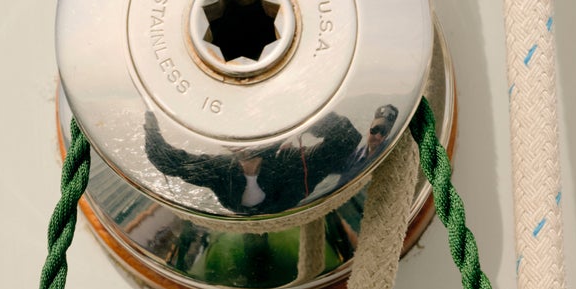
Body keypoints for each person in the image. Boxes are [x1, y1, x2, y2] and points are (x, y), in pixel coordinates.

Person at [143, 103, 399, 217]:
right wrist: (151, 123)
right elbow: (169, 161)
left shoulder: (294, 165)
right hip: (247, 212)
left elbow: (346, 137)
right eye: (239, 143)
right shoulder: (221, 170)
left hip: (289, 204)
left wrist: (299, 112)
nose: (245, 150)